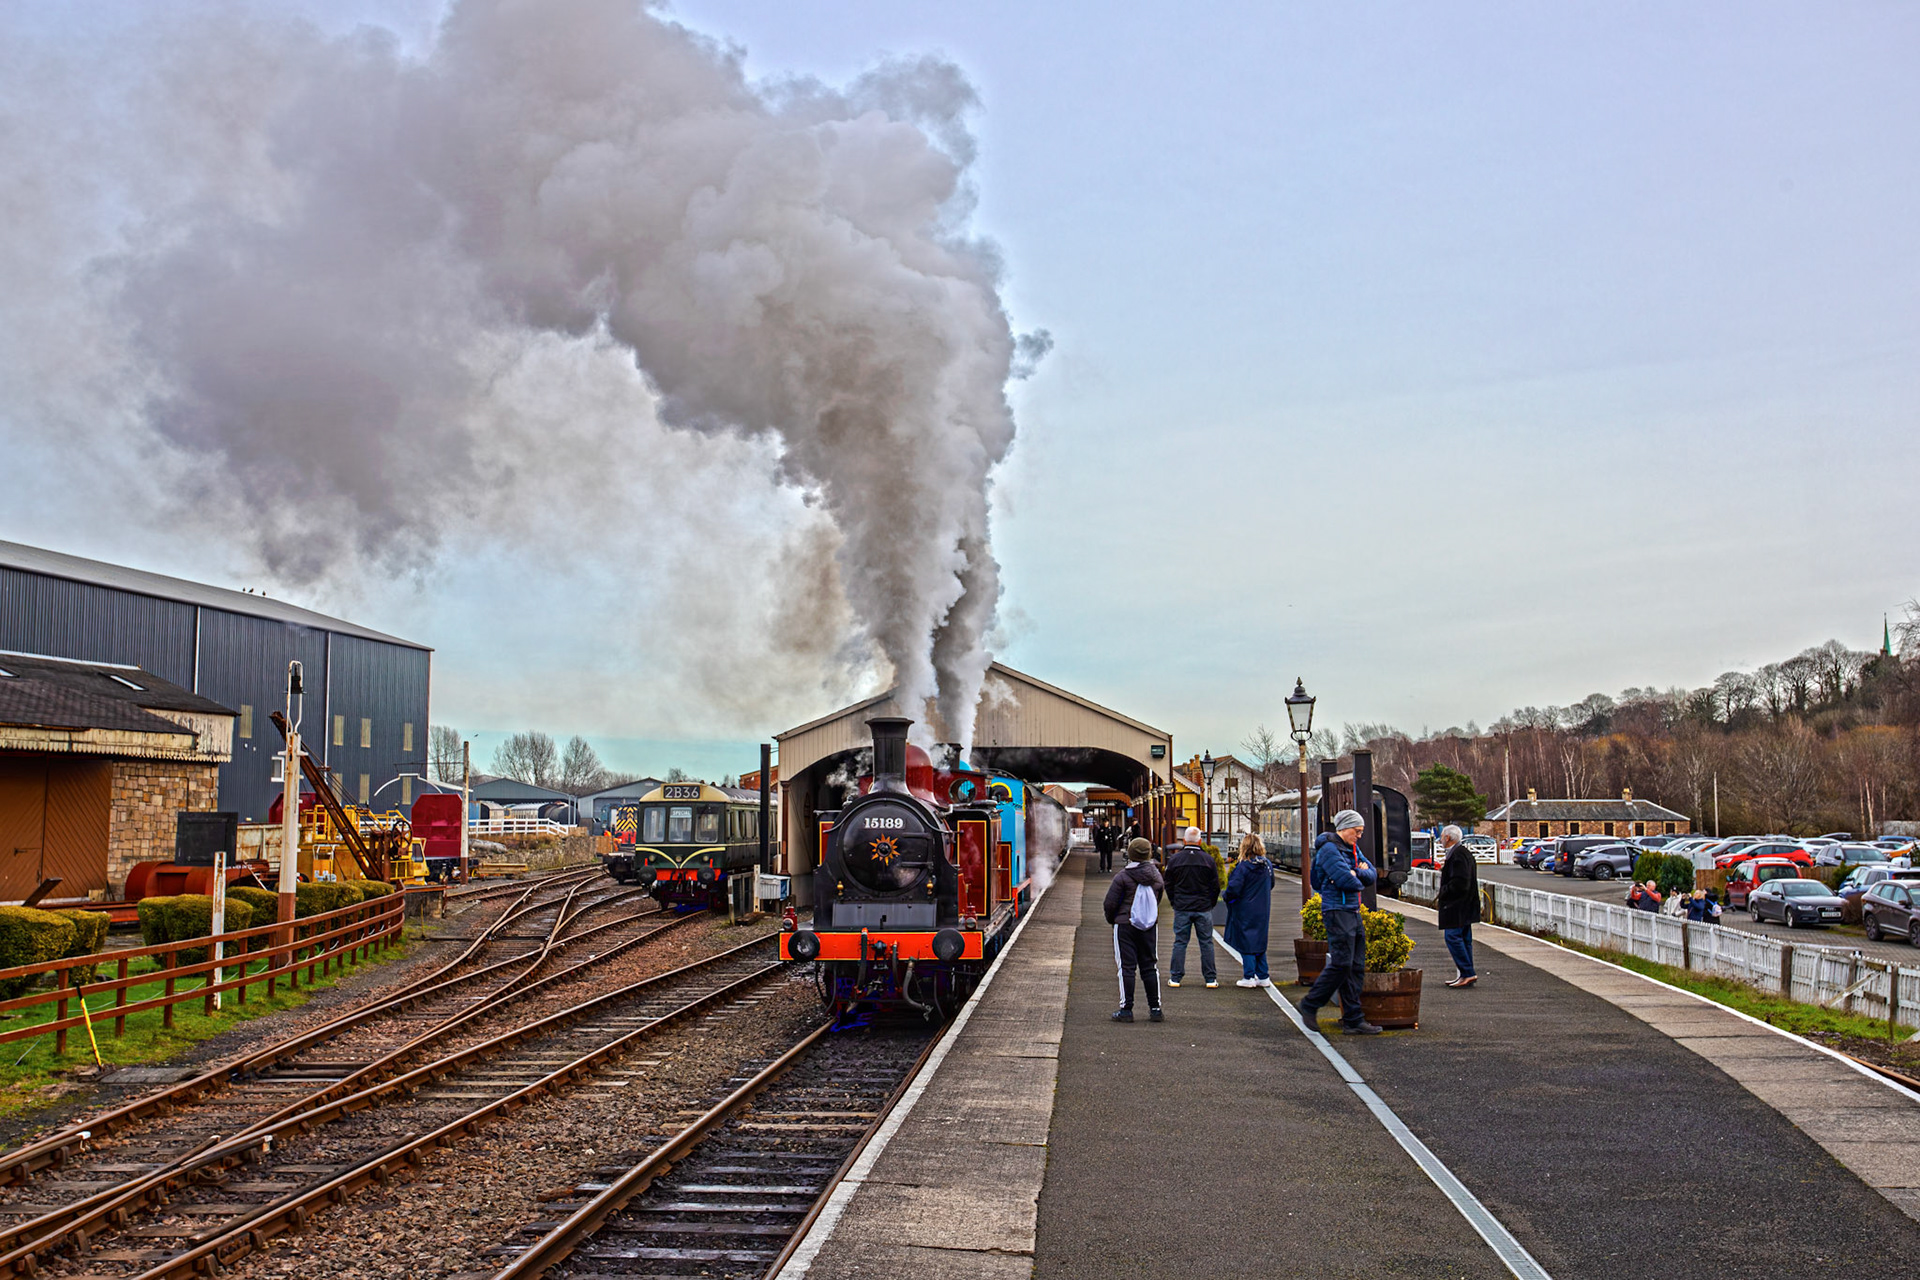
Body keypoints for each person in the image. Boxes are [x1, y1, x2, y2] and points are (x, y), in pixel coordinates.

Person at [1298, 810, 1381, 1035]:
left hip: (1352, 910)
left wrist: (1356, 873)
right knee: (1341, 963)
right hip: (1336, 910)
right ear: (1345, 828)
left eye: (1361, 832)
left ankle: (1353, 1018)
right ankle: (1310, 1003)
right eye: (1357, 831)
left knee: (1355, 965)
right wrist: (1356, 874)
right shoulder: (1329, 850)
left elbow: (1372, 874)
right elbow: (1348, 881)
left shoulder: (1352, 849)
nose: (1359, 836)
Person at [1103, 837, 1165, 1023]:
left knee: (1126, 967)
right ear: (1149, 854)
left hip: (1125, 925)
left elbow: (1110, 904)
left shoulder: (1122, 877)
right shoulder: (1156, 877)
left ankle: (1126, 1009)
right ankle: (1155, 1009)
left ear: (1130, 854)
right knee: (1149, 966)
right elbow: (1157, 899)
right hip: (1148, 925)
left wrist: (1114, 920)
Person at [1164, 826, 1220, 988]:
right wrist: (1210, 903)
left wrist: (1175, 902)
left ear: (1184, 840)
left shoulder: (1175, 860)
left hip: (1182, 906)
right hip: (1203, 907)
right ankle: (1210, 979)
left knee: (1180, 942)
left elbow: (1168, 884)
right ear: (1200, 841)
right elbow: (1215, 886)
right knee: (1206, 943)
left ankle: (1175, 977)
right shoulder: (1208, 860)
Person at [1224, 832, 1273, 986]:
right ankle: (1263, 976)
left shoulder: (1243, 866)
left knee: (1246, 941)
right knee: (1259, 940)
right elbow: (1271, 884)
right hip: (1263, 908)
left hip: (1245, 908)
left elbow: (1234, 888)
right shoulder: (1267, 865)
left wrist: (1227, 897)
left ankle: (1249, 976)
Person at [1435, 824, 1480, 988]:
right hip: (1465, 905)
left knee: (1453, 938)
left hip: (1457, 906)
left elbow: (1460, 882)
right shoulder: (1462, 853)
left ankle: (1467, 972)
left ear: (1448, 838)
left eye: (1442, 837)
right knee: (1464, 939)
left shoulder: (1458, 855)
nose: (1440, 840)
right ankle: (1466, 974)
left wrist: (1444, 891)